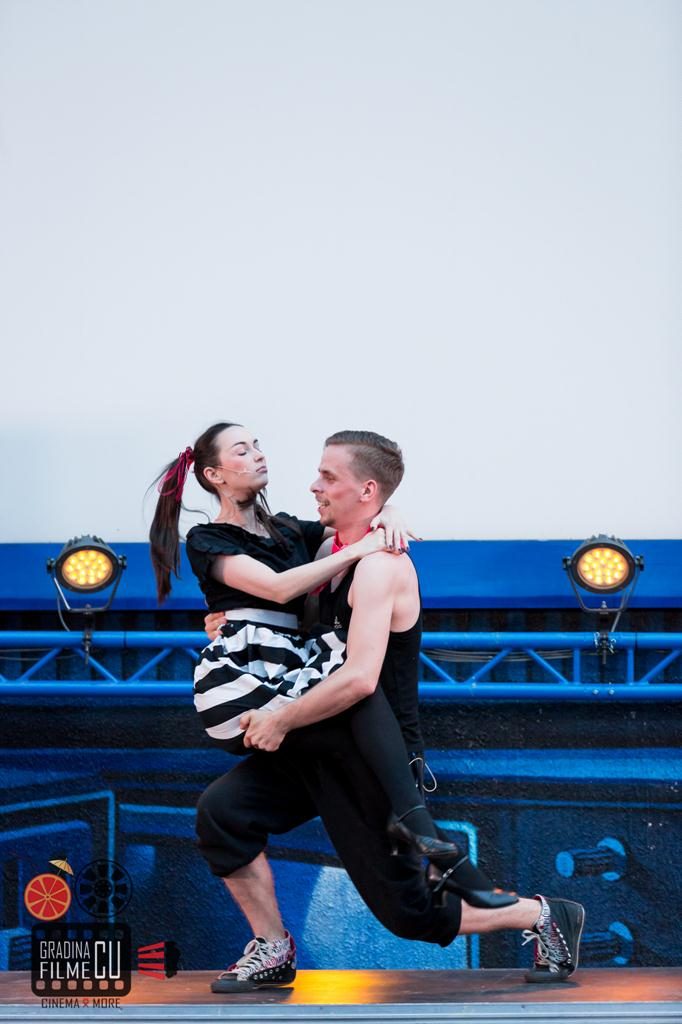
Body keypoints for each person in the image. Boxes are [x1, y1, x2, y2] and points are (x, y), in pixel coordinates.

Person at [195, 429, 585, 992]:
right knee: (223, 814)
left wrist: (280, 718)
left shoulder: (381, 567)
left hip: (369, 754)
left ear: (366, 491)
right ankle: (273, 948)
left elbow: (358, 680)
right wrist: (227, 622)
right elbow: (283, 612)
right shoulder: (324, 553)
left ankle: (543, 915)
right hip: (320, 736)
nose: (313, 485)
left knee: (410, 915)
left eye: (327, 477)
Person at [149, 422, 509, 887]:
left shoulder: (288, 531)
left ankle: (429, 837)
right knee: (357, 691)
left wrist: (389, 511)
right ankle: (418, 825)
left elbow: (355, 512)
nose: (258, 454)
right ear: (214, 474)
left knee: (405, 903)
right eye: (242, 450)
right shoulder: (207, 538)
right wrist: (365, 545)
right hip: (243, 685)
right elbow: (279, 588)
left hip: (291, 678)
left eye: (258, 445)